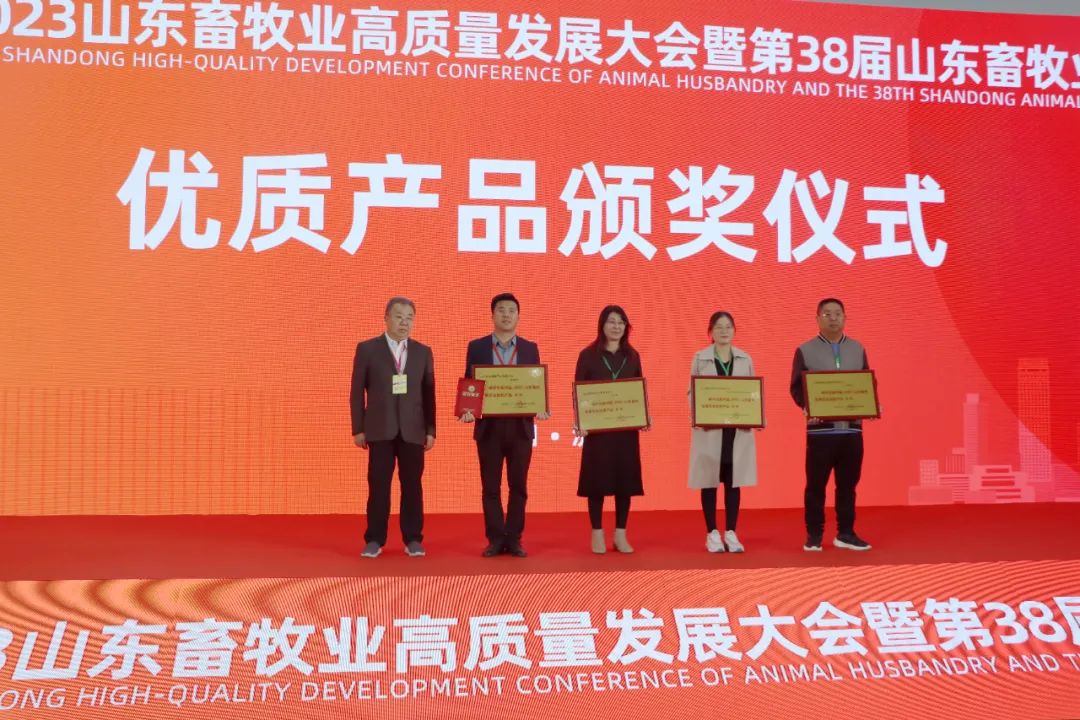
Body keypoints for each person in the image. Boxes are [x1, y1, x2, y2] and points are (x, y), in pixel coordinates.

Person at [461, 293, 549, 558]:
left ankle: (515, 538)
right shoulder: (477, 346)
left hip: (521, 427)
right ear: (493, 315)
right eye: (501, 310)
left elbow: (535, 383)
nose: (506, 315)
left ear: (518, 316)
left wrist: (541, 404)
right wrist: (467, 409)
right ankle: (496, 539)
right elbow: (470, 382)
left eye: (511, 310)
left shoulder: (530, 348)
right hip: (489, 428)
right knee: (490, 487)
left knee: (518, 486)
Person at [350, 297, 436, 558]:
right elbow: (356, 392)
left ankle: (413, 539)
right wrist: (358, 428)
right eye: (399, 316)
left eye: (409, 318)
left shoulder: (423, 352)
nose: (404, 322)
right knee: (378, 486)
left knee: (412, 486)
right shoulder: (367, 349)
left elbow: (429, 393)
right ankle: (375, 539)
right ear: (386, 318)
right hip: (379, 428)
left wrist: (431, 430)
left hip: (413, 430)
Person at [789, 298, 873, 552]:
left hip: (852, 430)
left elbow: (866, 384)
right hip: (820, 431)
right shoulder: (805, 350)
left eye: (838, 313)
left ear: (845, 318)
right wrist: (808, 407)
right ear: (817, 319)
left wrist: (870, 405)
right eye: (827, 314)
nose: (833, 318)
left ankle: (845, 533)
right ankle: (814, 535)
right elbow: (796, 387)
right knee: (816, 485)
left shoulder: (857, 348)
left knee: (848, 485)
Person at [573, 306, 646, 554]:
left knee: (625, 481)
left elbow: (639, 391)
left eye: (621, 323)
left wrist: (643, 416)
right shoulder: (588, 356)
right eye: (611, 322)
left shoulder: (632, 356)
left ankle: (620, 534)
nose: (616, 327)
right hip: (597, 432)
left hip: (625, 431)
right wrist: (581, 421)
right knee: (597, 481)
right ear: (602, 325)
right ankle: (597, 532)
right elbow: (579, 392)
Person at [688, 311, 758, 553]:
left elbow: (752, 393)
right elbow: (692, 392)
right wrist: (698, 415)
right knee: (709, 482)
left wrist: (756, 415)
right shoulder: (700, 358)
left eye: (728, 326)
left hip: (736, 432)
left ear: (734, 330)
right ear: (711, 332)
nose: (724, 331)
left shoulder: (745, 359)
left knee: (733, 482)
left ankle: (731, 532)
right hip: (710, 430)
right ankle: (712, 533)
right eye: (718, 327)